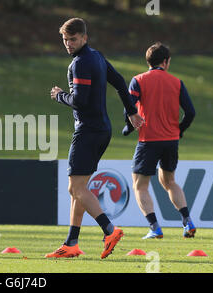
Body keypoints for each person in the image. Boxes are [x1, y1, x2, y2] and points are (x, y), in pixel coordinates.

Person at [47, 18, 144, 259]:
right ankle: (71, 243)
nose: (68, 44)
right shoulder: (97, 57)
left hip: (88, 131)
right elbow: (120, 82)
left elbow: (80, 101)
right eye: (65, 40)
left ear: (84, 38)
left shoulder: (80, 63)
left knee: (75, 187)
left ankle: (109, 230)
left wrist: (60, 96)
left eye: (73, 39)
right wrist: (132, 112)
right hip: (102, 130)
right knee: (79, 188)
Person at [123, 42, 196, 239]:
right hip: (171, 140)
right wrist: (179, 130)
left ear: (148, 61)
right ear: (165, 62)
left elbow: (129, 107)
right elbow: (190, 112)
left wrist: (128, 127)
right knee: (170, 181)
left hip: (149, 139)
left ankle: (154, 227)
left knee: (140, 185)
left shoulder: (138, 80)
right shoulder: (177, 82)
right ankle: (188, 222)